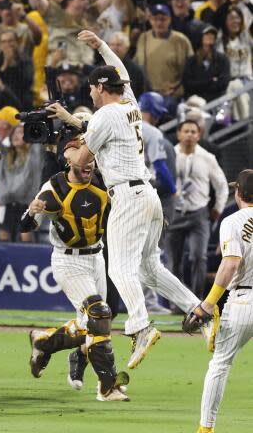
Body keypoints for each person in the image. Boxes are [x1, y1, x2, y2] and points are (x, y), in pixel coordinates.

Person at [49, 30, 209, 370]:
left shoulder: (105, 115)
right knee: (150, 268)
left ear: (101, 88)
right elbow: (119, 73)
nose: (90, 93)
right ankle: (200, 311)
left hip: (127, 196)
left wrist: (63, 144)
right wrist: (102, 47)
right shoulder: (130, 102)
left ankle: (140, 326)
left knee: (119, 267)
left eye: (93, 88)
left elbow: (81, 161)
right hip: (147, 194)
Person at [23, 141, 128, 401]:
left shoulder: (103, 180)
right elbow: (26, 224)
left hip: (97, 257)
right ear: (68, 160)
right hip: (68, 261)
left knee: (94, 326)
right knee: (98, 314)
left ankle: (44, 341)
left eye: (89, 156)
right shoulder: (54, 188)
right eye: (80, 156)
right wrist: (32, 211)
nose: (88, 162)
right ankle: (107, 386)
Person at [195, 169, 253, 433]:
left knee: (220, 365)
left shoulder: (233, 221)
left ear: (238, 192)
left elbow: (231, 263)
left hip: (243, 300)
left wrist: (208, 303)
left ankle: (206, 429)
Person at [165, 120, 228, 297]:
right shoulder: (170, 155)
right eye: (186, 131)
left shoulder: (207, 157)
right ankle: (177, 302)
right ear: (179, 134)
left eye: (193, 132)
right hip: (174, 213)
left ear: (199, 135)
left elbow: (222, 185)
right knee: (173, 262)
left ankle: (197, 300)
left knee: (198, 257)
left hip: (199, 214)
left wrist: (218, 207)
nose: (190, 135)